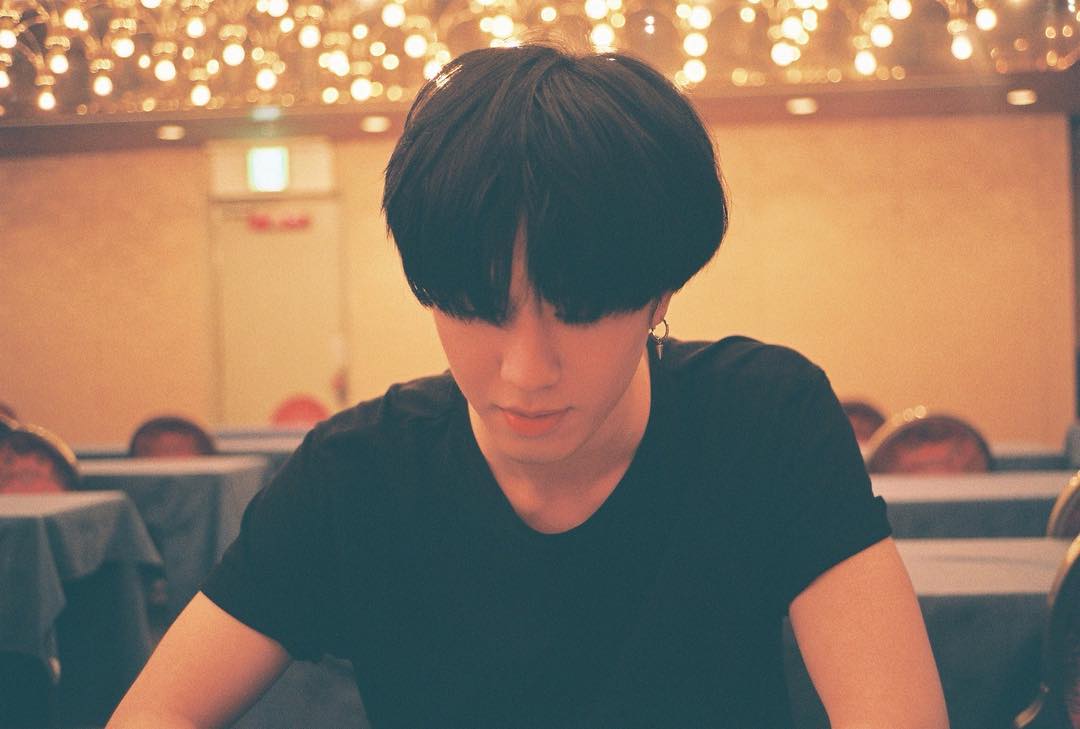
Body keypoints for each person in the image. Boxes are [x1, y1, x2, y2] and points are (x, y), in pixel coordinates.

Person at [107, 43, 948, 728]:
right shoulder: (358, 474)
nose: (525, 371)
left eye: (579, 312)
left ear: (660, 294)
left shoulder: (765, 421)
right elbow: (158, 709)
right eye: (479, 309)